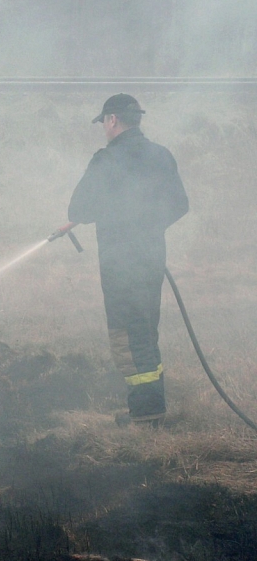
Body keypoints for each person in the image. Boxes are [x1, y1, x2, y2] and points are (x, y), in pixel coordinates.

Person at [68, 94, 188, 425]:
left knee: (128, 336)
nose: (104, 129)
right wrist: (147, 227)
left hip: (120, 265)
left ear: (112, 120)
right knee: (146, 330)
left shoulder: (107, 160)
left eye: (104, 123)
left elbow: (78, 210)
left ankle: (146, 416)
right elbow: (180, 204)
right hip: (151, 259)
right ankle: (150, 408)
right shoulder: (161, 156)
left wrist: (119, 220)